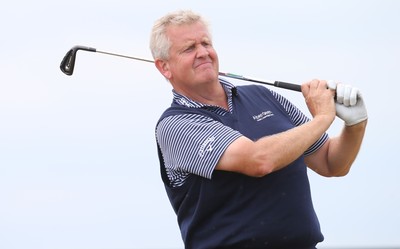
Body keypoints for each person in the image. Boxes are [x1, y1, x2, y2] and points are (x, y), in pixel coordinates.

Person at [150, 10, 367, 249]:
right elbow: (258, 161)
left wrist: (355, 125)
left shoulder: (263, 96)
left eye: (206, 43)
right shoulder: (176, 125)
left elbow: (330, 162)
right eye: (189, 48)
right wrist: (323, 117)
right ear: (164, 68)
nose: (203, 53)